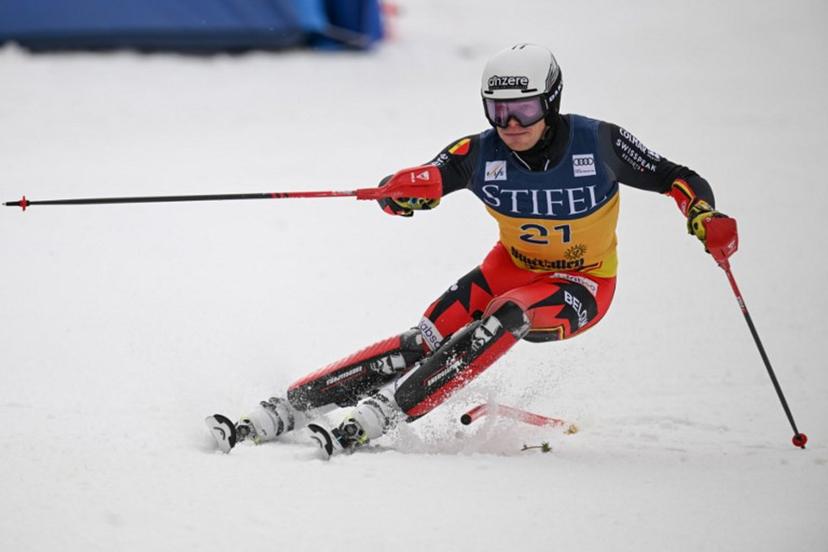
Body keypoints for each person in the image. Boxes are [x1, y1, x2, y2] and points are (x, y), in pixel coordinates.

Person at [206, 43, 737, 455]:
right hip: (509, 268)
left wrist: (703, 215)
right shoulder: (478, 152)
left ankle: (385, 412)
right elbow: (422, 184)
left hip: (583, 283)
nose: (510, 125)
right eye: (497, 110)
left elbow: (676, 176)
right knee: (422, 341)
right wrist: (400, 193)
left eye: (525, 110)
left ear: (551, 103)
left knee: (508, 316)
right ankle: (290, 407)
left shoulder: (597, 143)